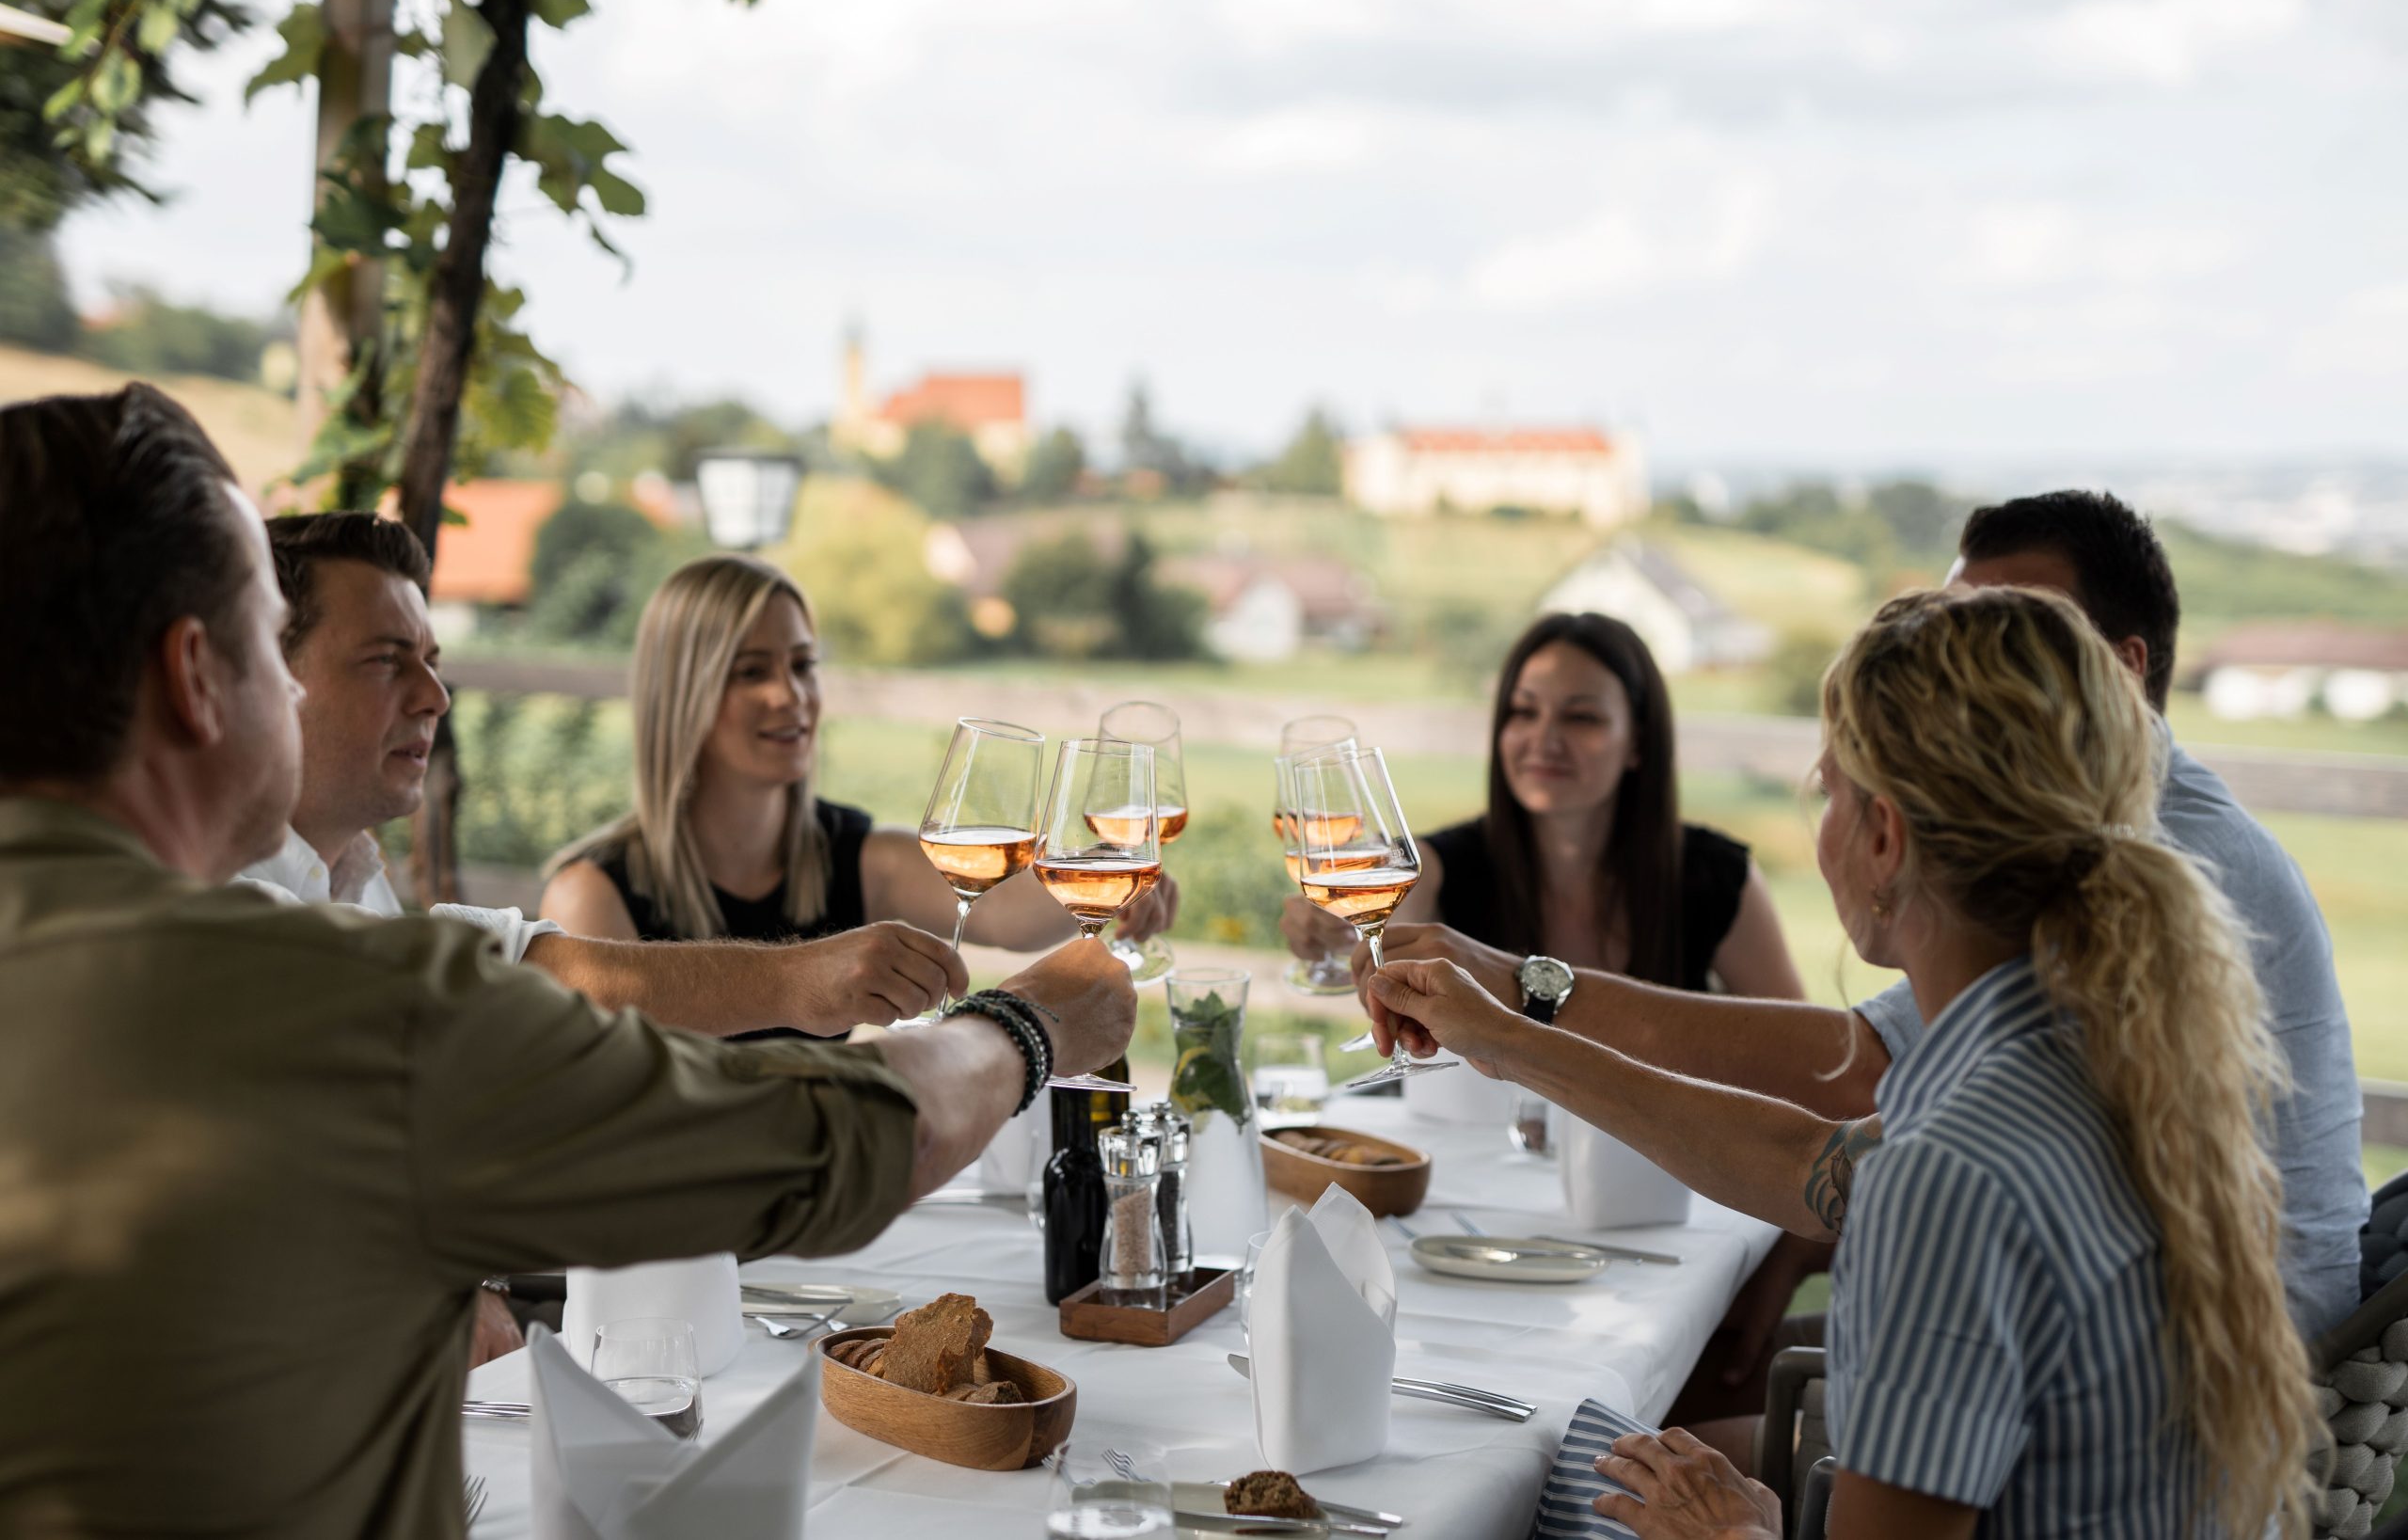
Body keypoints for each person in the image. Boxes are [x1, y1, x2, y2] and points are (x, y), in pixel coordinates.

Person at [0, 386, 1137, 1537]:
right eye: (263, 645)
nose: (432, 697)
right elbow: (830, 1143)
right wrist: (1032, 1023)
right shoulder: (321, 1002)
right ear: (196, 676)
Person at [1366, 586, 2318, 1539]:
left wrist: (1736, 1531)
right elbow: (1813, 1164)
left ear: (1882, 836)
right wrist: (1514, 1039)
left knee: (1540, 1486)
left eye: (1827, 789)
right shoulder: (2099, 1047)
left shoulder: (1950, 1180)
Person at [249, 512, 974, 1036]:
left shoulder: (351, 879)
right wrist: (798, 981)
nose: (435, 697)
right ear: (260, 680)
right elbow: (511, 977)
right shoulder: (223, 908)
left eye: (432, 662)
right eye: (385, 660)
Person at [541, 552, 1178, 1035]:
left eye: (802, 664)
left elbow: (1009, 914)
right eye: (751, 671)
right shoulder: (593, 894)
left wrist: (1116, 869)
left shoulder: (847, 854)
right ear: (681, 693)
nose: (790, 694)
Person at [1282, 611, 1802, 998]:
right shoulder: (1444, 864)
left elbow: (1798, 1050)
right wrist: (1337, 929)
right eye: (1523, 711)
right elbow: (1398, 901)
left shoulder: (1716, 875)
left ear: (1639, 744)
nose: (1543, 739)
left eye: (1581, 718)